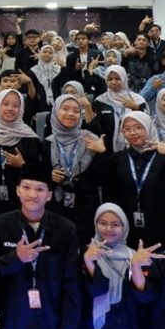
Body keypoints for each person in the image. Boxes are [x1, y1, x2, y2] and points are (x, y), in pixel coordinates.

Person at [0, 164, 81, 329]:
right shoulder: (1, 225)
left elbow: (72, 283)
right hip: (14, 322)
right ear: (17, 190)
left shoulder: (65, 229)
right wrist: (15, 258)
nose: (32, 194)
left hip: (52, 324)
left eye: (39, 189)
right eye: (26, 187)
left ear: (49, 195)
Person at [76, 203, 158, 329]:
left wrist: (135, 266)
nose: (108, 229)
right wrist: (88, 262)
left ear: (124, 227)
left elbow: (144, 297)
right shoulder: (85, 254)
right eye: (103, 223)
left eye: (115, 225)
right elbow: (96, 290)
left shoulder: (135, 256)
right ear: (95, 224)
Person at [108, 112, 165, 250]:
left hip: (162, 226)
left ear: (148, 127)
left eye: (138, 127)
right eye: (127, 129)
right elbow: (111, 194)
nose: (133, 133)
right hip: (128, 226)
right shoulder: (118, 159)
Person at [43, 94, 109, 248]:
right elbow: (38, 178)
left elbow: (105, 178)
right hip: (56, 208)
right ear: (56, 112)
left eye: (76, 111)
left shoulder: (91, 140)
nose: (71, 114)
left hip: (86, 209)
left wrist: (102, 152)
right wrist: (48, 175)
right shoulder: (47, 144)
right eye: (65, 109)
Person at [0, 88, 45, 222]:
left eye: (15, 105)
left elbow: (40, 175)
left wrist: (23, 165)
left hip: (23, 201)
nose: (10, 109)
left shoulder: (30, 138)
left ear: (21, 109)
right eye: (5, 104)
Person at [92, 65, 146, 150]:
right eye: (110, 79)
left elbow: (146, 123)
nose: (113, 82)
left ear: (124, 79)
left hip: (133, 147)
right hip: (107, 148)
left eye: (117, 79)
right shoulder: (100, 101)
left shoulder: (137, 100)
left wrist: (136, 108)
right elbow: (96, 126)